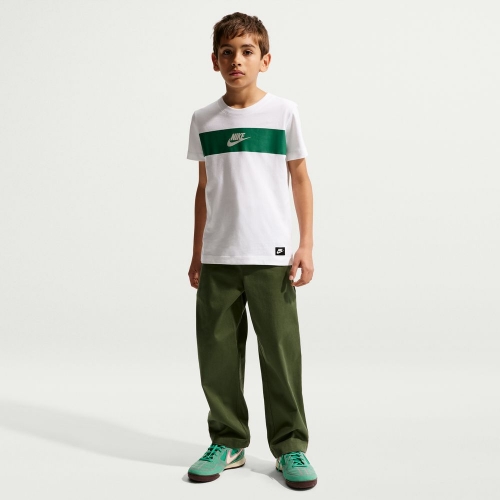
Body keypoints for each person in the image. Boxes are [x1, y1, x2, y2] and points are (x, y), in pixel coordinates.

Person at [185, 12, 317, 490]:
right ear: (215, 61)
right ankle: (228, 441)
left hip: (271, 255)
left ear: (265, 59)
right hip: (219, 256)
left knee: (280, 354)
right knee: (217, 354)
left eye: (246, 52)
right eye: (227, 52)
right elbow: (204, 189)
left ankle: (290, 447)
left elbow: (300, 178)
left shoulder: (283, 112)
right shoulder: (203, 119)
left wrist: (305, 245)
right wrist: (197, 253)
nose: (236, 60)